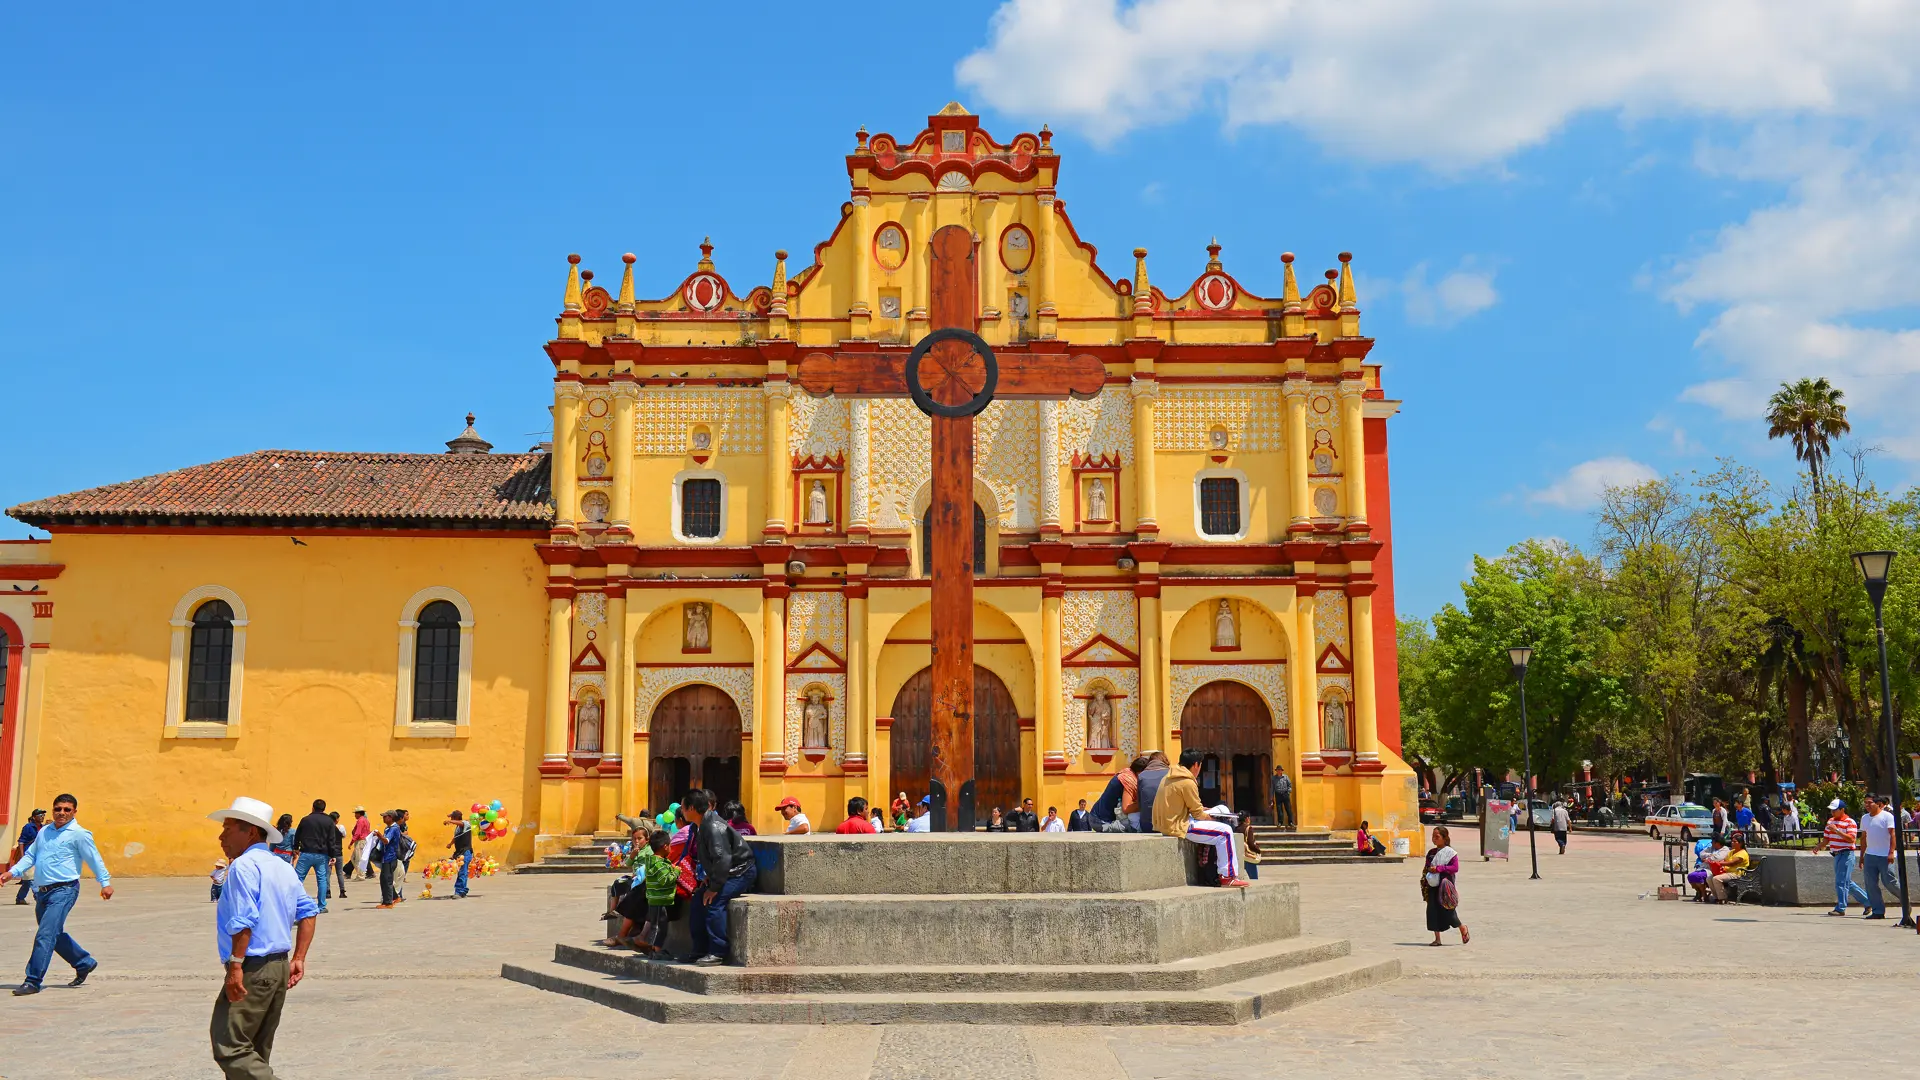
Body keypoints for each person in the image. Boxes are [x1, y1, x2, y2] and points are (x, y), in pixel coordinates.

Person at [207, 796, 319, 1080]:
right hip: (278, 966)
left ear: (251, 832)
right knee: (255, 1051)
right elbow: (308, 912)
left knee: (230, 1046)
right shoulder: (282, 866)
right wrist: (298, 959)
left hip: (253, 967)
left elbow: (244, 922)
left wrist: (235, 968)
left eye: (228, 828)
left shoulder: (244, 867)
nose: (221, 836)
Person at [0, 793, 111, 995]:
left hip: (64, 890)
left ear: (74, 812)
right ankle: (83, 962)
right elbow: (31, 855)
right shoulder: (44, 832)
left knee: (45, 934)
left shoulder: (79, 834)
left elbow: (94, 859)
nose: (62, 813)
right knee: (53, 934)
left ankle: (33, 980)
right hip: (42, 892)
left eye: (67, 809)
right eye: (58, 809)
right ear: (53, 810)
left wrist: (105, 883)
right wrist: (12, 872)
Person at [1152, 750, 1249, 887]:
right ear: (1196, 765)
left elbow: (1188, 806)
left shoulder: (1169, 777)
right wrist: (1215, 819)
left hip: (1169, 823)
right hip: (1179, 825)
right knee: (1225, 832)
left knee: (1218, 815)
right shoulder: (1187, 781)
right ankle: (1228, 876)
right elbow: (1198, 814)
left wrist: (1206, 811)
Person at [686, 790, 758, 967]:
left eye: (683, 806)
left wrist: (714, 887)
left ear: (692, 808)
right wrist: (708, 879)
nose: (681, 811)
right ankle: (700, 949)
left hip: (740, 872)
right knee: (697, 902)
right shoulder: (700, 825)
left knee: (714, 902)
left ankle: (718, 951)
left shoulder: (713, 827)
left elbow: (722, 858)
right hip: (724, 872)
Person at [607, 829, 679, 953]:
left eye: (639, 838)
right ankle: (655, 950)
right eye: (634, 839)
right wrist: (676, 871)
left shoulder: (651, 855)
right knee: (660, 926)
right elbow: (665, 880)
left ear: (647, 839)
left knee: (654, 922)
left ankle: (634, 937)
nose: (637, 841)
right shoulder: (658, 862)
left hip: (651, 895)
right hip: (659, 898)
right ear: (666, 846)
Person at [1422, 825, 1469, 946]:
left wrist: (1439, 868)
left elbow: (1455, 868)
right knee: (1432, 911)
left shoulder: (1451, 853)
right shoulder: (1431, 853)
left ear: (1444, 838)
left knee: (1449, 911)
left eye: (1437, 836)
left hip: (1445, 886)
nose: (1434, 839)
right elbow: (1427, 866)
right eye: (1433, 836)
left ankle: (1462, 928)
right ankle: (1437, 939)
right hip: (1432, 885)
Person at [1824, 799, 1872, 916]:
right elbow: (1827, 838)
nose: (1832, 813)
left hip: (1846, 853)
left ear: (1842, 810)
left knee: (1841, 882)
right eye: (1831, 810)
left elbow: (1851, 839)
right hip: (1836, 854)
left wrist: (1837, 831)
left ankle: (1841, 908)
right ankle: (1868, 902)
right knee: (1846, 882)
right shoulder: (1830, 821)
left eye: (1834, 810)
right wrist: (1819, 846)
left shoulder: (1850, 822)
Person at [1858, 793, 1900, 920]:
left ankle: (1905, 899)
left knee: (1889, 882)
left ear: (1878, 803)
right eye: (1865, 803)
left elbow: (1893, 835)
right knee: (1871, 884)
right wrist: (1862, 856)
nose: (1867, 805)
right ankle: (1878, 911)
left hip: (1885, 855)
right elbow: (1864, 838)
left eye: (1870, 802)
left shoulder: (1887, 817)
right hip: (1870, 855)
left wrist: (1891, 852)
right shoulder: (1865, 818)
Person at [291, 799, 335, 915]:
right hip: (322, 854)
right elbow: (331, 839)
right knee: (322, 879)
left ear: (313, 807)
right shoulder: (329, 821)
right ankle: (321, 906)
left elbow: (298, 835)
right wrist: (332, 855)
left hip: (306, 853)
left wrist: (296, 848)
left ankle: (291, 903)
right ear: (324, 809)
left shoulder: (305, 820)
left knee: (297, 879)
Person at [9, 808, 45, 905]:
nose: (42, 817)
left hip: (39, 856)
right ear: (34, 817)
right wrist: (22, 855)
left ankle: (20, 898)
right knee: (31, 879)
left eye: (43, 815)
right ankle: (38, 897)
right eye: (40, 815)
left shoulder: (43, 828)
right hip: (28, 855)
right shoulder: (28, 827)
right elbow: (21, 841)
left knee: (27, 880)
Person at [1707, 832, 1752, 903]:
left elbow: (1731, 863)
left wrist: (1718, 863)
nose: (1732, 843)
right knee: (1709, 878)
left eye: (1735, 841)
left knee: (1716, 879)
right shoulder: (1731, 852)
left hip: (1736, 873)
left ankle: (1722, 898)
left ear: (1740, 843)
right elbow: (1725, 860)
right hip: (1727, 872)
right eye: (1732, 841)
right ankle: (1716, 897)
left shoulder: (1743, 853)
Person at [376, 811, 404, 909]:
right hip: (387, 857)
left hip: (390, 857)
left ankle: (388, 902)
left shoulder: (393, 828)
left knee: (386, 880)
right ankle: (395, 897)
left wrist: (379, 835)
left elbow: (386, 841)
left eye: (385, 817)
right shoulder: (389, 828)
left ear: (391, 817)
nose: (383, 818)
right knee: (384, 878)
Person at [446, 811, 474, 899]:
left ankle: (460, 892)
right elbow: (456, 837)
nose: (451, 819)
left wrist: (450, 822)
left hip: (466, 852)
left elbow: (461, 823)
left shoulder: (465, 824)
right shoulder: (458, 828)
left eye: (452, 818)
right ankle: (461, 891)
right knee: (461, 872)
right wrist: (450, 844)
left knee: (463, 872)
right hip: (460, 852)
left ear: (456, 817)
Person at [326, 811, 348, 899]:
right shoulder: (340, 827)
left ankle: (327, 892)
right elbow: (344, 835)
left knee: (327, 873)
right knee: (339, 873)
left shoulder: (326, 828)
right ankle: (342, 891)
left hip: (328, 853)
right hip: (339, 853)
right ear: (336, 819)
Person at [348, 807, 373, 880]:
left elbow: (357, 833)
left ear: (359, 813)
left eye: (356, 813)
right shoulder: (366, 821)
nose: (355, 815)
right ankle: (361, 873)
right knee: (355, 858)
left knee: (358, 859)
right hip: (364, 841)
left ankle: (361, 875)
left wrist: (351, 842)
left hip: (360, 841)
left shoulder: (360, 821)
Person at [1270, 765, 1294, 829]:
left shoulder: (1285, 777)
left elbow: (1289, 785)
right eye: (1278, 770)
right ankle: (1280, 822)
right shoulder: (1274, 778)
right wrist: (1272, 798)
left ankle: (1290, 822)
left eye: (1280, 770)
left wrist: (1288, 792)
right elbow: (1272, 788)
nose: (1279, 771)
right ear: (1276, 771)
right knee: (1279, 809)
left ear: (1281, 771)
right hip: (1278, 794)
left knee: (1288, 808)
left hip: (1285, 794)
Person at [1240, 816, 1263, 880]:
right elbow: (1251, 843)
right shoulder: (1248, 828)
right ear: (1247, 818)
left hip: (1238, 855)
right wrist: (1258, 850)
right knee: (1254, 879)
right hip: (1247, 856)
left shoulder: (1236, 828)